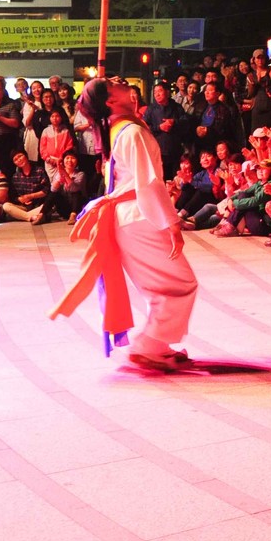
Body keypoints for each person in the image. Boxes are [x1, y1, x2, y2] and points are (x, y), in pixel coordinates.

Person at [66, 77, 199, 372]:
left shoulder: (119, 129)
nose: (118, 80)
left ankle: (159, 347)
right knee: (181, 284)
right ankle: (149, 346)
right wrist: (173, 224)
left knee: (159, 286)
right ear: (111, 101)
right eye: (111, 83)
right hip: (139, 217)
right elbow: (148, 184)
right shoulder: (132, 131)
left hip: (128, 217)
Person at [3, 148, 51, 223]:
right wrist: (20, 199)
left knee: (48, 205)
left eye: (20, 156)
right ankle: (30, 217)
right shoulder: (16, 176)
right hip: (24, 207)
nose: (19, 160)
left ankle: (24, 216)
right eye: (15, 159)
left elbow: (46, 190)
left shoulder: (39, 171)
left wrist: (31, 196)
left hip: (38, 205)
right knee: (6, 206)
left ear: (26, 156)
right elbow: (13, 196)